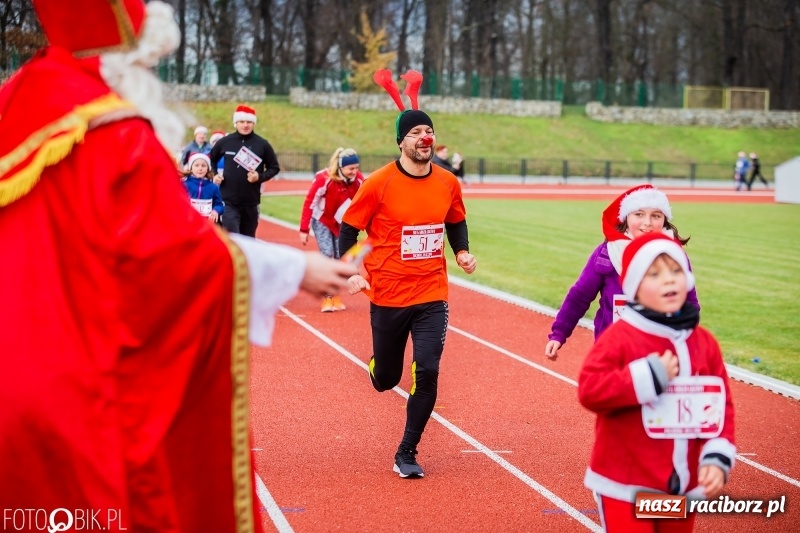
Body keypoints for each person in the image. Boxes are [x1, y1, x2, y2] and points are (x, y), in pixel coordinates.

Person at [0, 1, 356, 531]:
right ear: (125, 59)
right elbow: (171, 257)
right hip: (77, 396)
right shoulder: (114, 132)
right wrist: (295, 270)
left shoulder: (17, 110)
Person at [339, 69, 477, 479]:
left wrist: (463, 251)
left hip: (432, 292)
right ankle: (377, 366)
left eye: (428, 131)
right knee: (386, 378)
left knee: (429, 369)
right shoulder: (378, 184)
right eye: (415, 131)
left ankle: (407, 450)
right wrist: (351, 268)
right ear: (401, 141)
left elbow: (455, 221)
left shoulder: (449, 182)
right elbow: (349, 227)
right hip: (387, 292)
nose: (424, 138)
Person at [578, 232, 736, 532]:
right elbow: (590, 390)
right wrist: (646, 376)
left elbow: (721, 403)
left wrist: (717, 454)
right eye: (654, 274)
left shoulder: (704, 343)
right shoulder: (619, 338)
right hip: (625, 484)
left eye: (676, 271)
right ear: (635, 286)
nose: (669, 280)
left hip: (681, 485)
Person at [544, 184, 700, 360]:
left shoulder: (674, 255)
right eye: (639, 214)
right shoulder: (607, 253)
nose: (647, 222)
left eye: (656, 215)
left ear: (664, 219)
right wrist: (559, 333)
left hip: (659, 353)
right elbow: (580, 296)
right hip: (612, 350)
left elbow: (690, 302)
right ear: (626, 217)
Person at [300, 147, 365, 312]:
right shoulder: (324, 179)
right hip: (322, 220)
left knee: (340, 257)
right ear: (341, 167)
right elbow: (310, 202)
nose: (354, 171)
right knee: (327, 253)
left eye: (357, 168)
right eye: (351, 168)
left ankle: (334, 295)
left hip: (341, 223)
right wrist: (304, 229)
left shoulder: (358, 180)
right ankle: (327, 298)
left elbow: (364, 202)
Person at [209, 105, 280, 237]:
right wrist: (215, 174)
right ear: (235, 123)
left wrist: (259, 177)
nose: (245, 125)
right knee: (234, 237)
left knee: (248, 241)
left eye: (249, 122)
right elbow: (211, 158)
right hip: (229, 201)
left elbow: (274, 167)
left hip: (251, 203)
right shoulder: (225, 142)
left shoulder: (262, 144)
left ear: (254, 123)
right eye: (242, 122)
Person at [183, 152, 224, 223]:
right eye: (196, 165)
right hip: (188, 222)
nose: (200, 168)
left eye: (203, 166)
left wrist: (216, 211)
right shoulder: (184, 184)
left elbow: (219, 204)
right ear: (191, 168)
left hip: (207, 224)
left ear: (208, 168)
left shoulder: (213, 187)